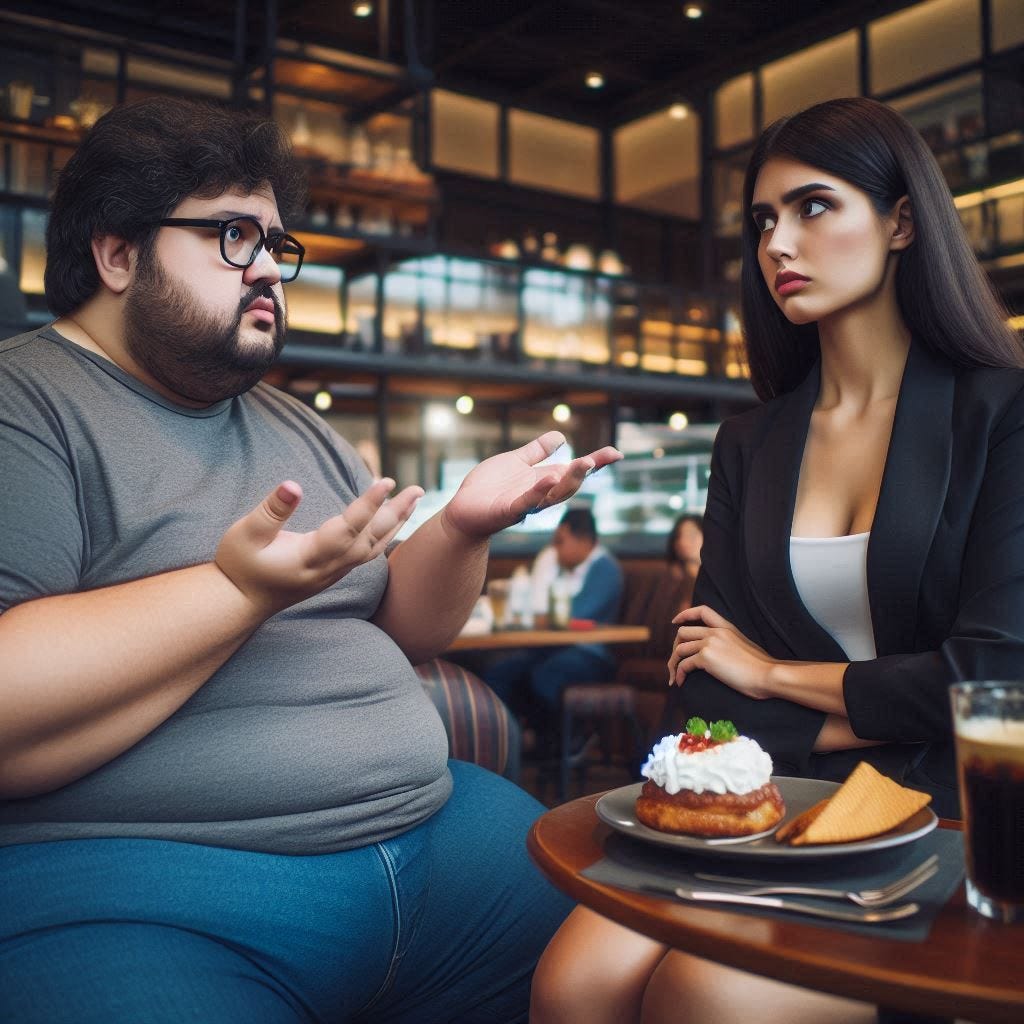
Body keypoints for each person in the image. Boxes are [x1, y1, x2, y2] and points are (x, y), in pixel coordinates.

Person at [0, 96, 624, 1024]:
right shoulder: (28, 404)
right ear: (118, 253)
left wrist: (462, 528)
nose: (267, 270)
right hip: (150, 885)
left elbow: (411, 626)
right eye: (232, 235)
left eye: (276, 245)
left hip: (439, 835)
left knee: (673, 954)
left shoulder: (300, 426)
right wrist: (233, 593)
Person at [531, 95, 1024, 1024]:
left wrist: (772, 675)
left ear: (902, 220)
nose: (778, 245)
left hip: (947, 816)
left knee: (702, 994)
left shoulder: (1001, 414)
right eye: (764, 221)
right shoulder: (749, 442)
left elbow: (992, 683)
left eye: (813, 206)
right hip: (766, 801)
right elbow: (702, 700)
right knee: (572, 983)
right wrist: (786, 699)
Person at [485, 508, 624, 739]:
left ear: (584, 541)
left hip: (591, 655)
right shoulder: (564, 568)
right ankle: (511, 744)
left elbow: (573, 615)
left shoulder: (605, 569)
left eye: (560, 541)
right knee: (500, 673)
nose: (555, 549)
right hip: (556, 649)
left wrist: (543, 613)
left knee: (545, 676)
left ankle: (561, 744)